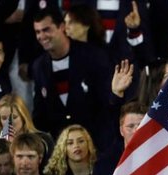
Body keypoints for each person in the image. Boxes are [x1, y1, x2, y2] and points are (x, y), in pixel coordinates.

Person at [31, 8, 113, 150]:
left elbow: (106, 104)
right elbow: (40, 114)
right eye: (37, 32)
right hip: (60, 150)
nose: (41, 36)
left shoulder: (93, 56)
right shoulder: (39, 66)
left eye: (46, 30)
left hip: (95, 145)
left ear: (62, 27)